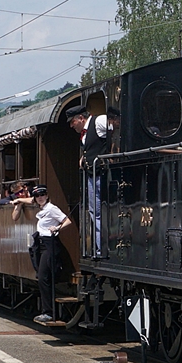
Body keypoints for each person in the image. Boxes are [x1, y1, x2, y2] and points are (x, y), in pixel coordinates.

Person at [12, 185, 71, 325]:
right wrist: (19, 201)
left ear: (47, 195)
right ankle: (49, 311)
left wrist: (57, 228)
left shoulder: (51, 208)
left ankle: (48, 312)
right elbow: (30, 201)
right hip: (41, 244)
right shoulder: (42, 207)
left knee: (43, 277)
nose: (40, 197)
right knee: (42, 276)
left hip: (50, 244)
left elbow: (67, 220)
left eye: (43, 194)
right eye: (37, 195)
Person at [65, 105, 111, 254]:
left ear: (81, 118)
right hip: (92, 174)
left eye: (72, 122)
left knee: (100, 211)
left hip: (103, 174)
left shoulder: (99, 121)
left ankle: (104, 247)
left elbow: (117, 129)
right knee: (94, 212)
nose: (72, 126)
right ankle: (99, 247)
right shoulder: (85, 133)